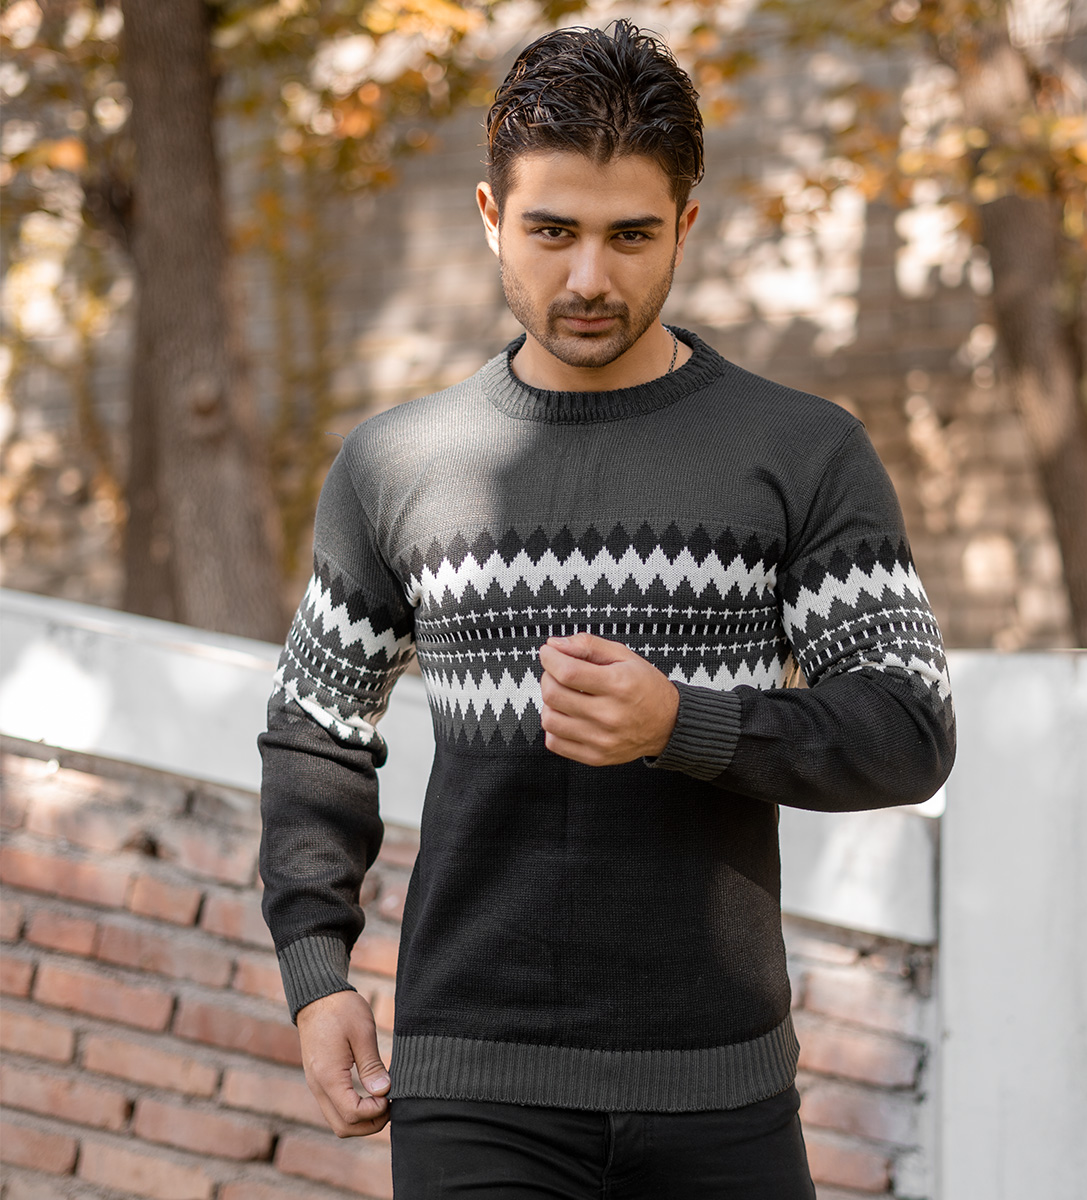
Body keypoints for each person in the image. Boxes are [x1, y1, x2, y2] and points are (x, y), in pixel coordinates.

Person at [258, 19, 955, 1199]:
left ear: (686, 224)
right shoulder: (397, 464)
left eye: (631, 235)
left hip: (722, 1088)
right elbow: (316, 726)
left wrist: (684, 722)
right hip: (474, 1085)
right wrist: (317, 974)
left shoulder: (802, 450)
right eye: (553, 232)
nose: (589, 278)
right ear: (492, 218)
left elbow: (907, 727)